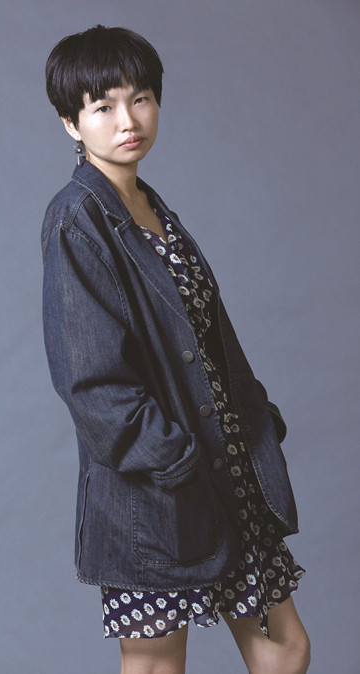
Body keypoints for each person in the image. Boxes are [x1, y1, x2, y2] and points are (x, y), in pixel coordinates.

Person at [42, 24, 310, 674]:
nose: (127, 120)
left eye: (140, 98)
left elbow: (207, 337)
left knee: (284, 652)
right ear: (70, 123)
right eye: (102, 106)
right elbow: (91, 382)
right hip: (158, 490)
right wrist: (174, 458)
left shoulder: (150, 206)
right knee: (158, 665)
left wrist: (254, 422)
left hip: (226, 469)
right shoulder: (78, 219)